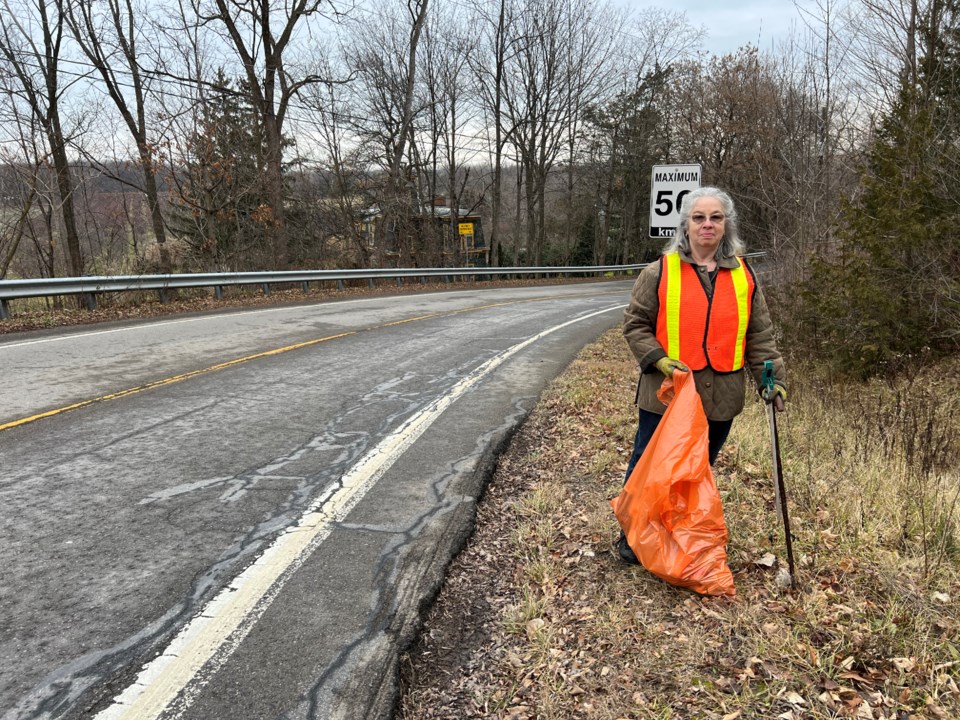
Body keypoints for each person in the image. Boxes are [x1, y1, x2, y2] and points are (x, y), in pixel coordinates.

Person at [617, 186, 786, 564]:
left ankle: (674, 533)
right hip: (668, 393)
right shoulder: (659, 271)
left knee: (697, 469)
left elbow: (759, 335)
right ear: (685, 226)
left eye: (715, 218)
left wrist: (771, 381)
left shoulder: (745, 275)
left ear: (727, 226)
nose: (707, 225)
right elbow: (635, 325)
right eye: (699, 218)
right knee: (649, 464)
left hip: (721, 394)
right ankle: (632, 537)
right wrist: (659, 361)